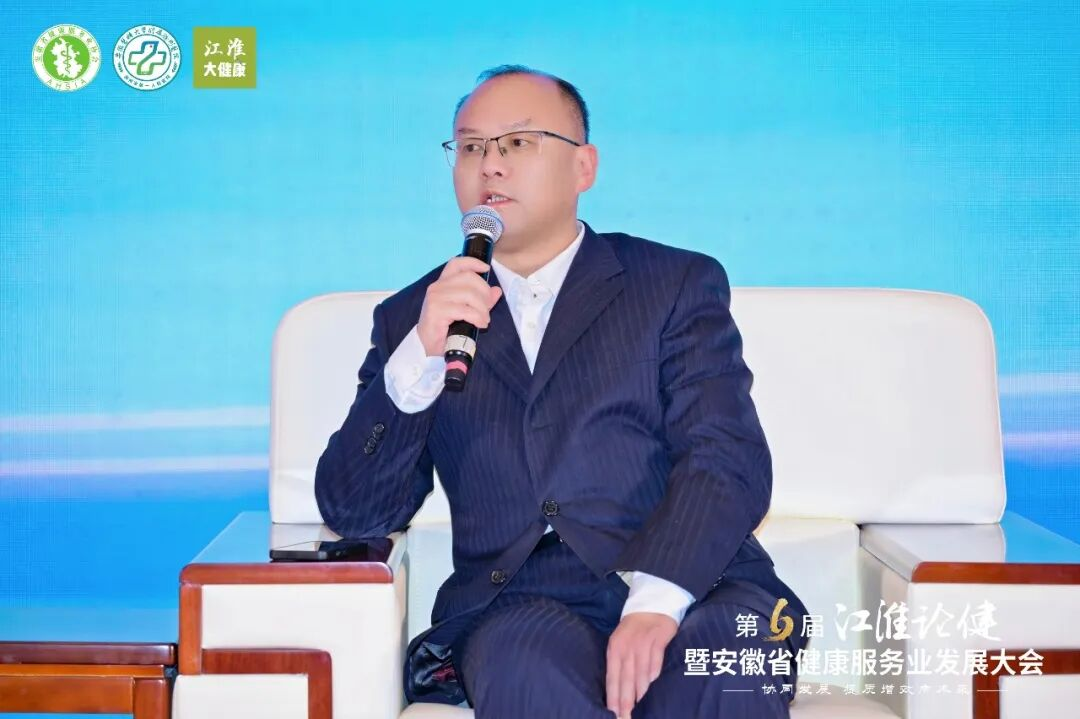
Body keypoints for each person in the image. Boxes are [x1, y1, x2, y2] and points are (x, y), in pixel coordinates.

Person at [314, 64, 810, 719]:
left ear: (584, 167)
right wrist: (418, 360)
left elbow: (726, 456)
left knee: (722, 661)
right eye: (471, 146)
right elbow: (355, 512)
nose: (490, 165)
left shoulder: (673, 283)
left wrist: (656, 603)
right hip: (520, 603)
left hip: (697, 583)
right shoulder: (415, 317)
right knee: (523, 668)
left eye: (518, 142)